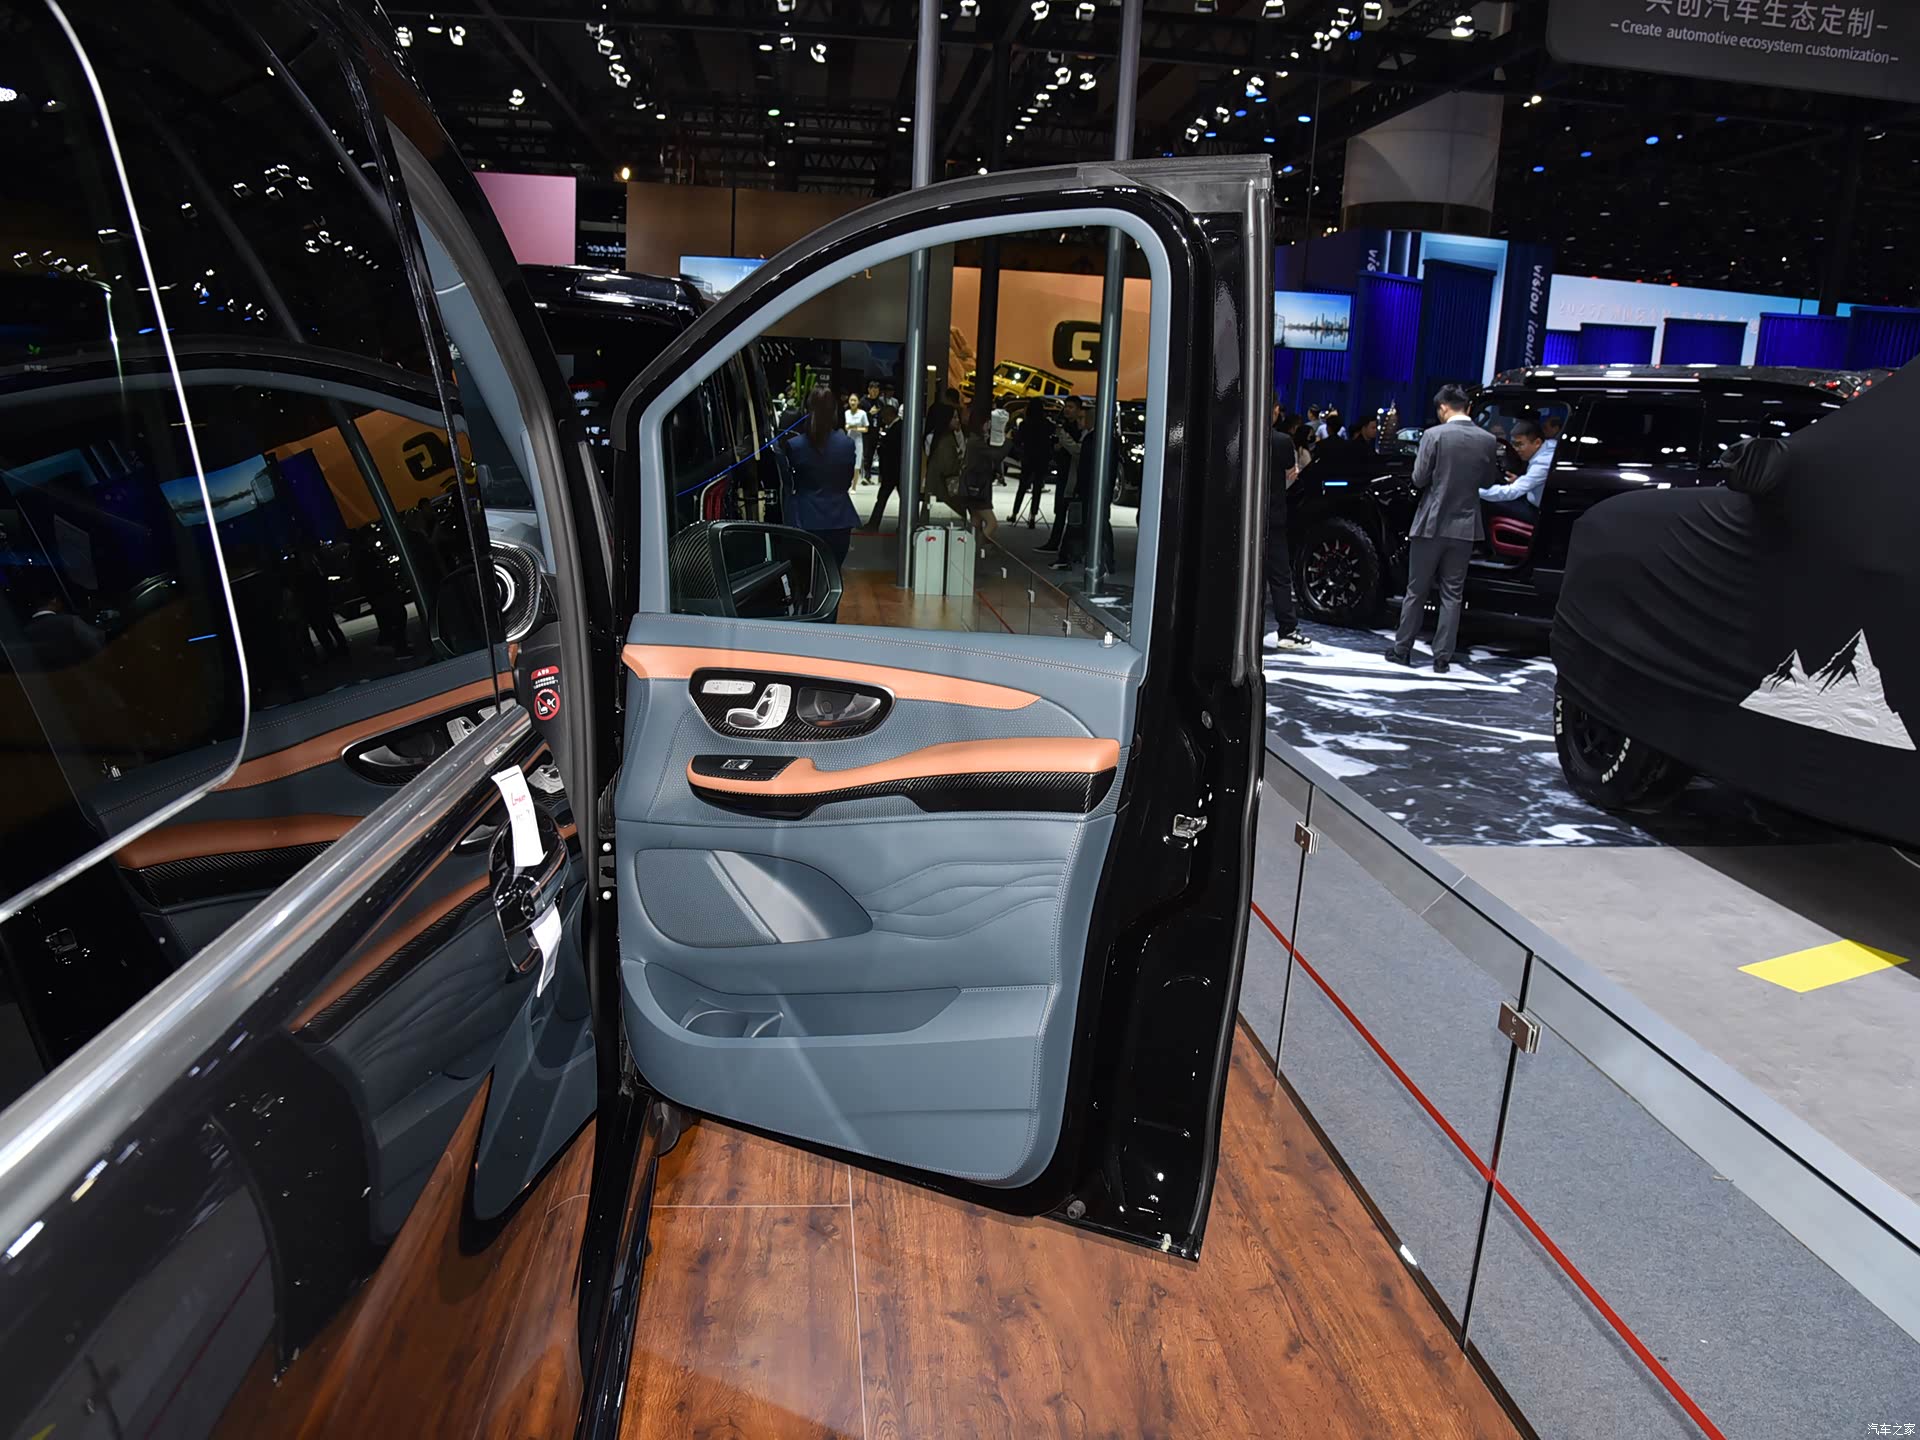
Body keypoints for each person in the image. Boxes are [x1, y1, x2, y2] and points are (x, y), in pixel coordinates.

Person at [1387, 383, 1501, 674]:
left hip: (1431, 523)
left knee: (1417, 590)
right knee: (1453, 594)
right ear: (1468, 408)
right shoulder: (1487, 440)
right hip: (1465, 527)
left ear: (1442, 408)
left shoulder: (1434, 435)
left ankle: (1402, 650)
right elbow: (1488, 481)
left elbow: (1418, 478)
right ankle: (1442, 658)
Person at [785, 383, 859, 565]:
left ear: (807, 410)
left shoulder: (795, 446)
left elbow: (790, 483)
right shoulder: (847, 444)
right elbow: (847, 481)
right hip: (839, 518)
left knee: (803, 575)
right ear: (834, 411)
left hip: (804, 518)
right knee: (833, 574)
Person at [1266, 401, 1311, 653]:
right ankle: (1287, 631)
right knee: (1280, 577)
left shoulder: (1238, 435)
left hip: (1241, 517)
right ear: (1274, 410)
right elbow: (1291, 475)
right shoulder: (1282, 441)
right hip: (1273, 516)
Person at [1479, 417, 1551, 526]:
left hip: (1537, 513)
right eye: (1513, 444)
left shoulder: (1542, 463)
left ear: (1537, 442)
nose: (1516, 449)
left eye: (1519, 444)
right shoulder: (1549, 446)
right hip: (1535, 501)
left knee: (1486, 502)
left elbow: (1511, 492)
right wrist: (1519, 480)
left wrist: (1476, 491)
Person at [1040, 396, 1087, 552]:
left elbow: (1077, 450)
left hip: (1073, 474)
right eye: (1066, 406)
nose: (1067, 410)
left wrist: (1063, 441)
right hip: (1063, 472)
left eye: (1071, 407)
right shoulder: (1063, 426)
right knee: (1060, 510)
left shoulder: (1078, 430)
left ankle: (1066, 547)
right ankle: (1056, 543)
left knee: (1069, 511)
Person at [953, 412, 1004, 546]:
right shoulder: (977, 443)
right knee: (992, 523)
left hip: (973, 488)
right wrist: (1008, 440)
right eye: (987, 422)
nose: (989, 425)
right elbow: (997, 455)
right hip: (977, 489)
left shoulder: (974, 440)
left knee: (976, 521)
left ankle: (972, 548)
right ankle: (976, 548)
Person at [1011, 397, 1055, 527]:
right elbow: (1053, 435)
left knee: (1022, 486)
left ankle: (1014, 513)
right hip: (1042, 458)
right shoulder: (1047, 424)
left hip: (1028, 457)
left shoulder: (1025, 424)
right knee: (1037, 488)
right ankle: (1033, 516)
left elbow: (1018, 440)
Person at [924, 407, 965, 518]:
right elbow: (948, 466)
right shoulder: (944, 441)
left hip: (941, 487)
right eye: (954, 417)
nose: (957, 420)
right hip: (944, 489)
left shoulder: (947, 437)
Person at [843, 395, 869, 483]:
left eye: (855, 400)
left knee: (857, 464)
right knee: (847, 462)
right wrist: (847, 427)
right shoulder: (846, 412)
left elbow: (866, 429)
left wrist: (855, 428)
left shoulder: (862, 413)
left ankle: (854, 485)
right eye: (851, 400)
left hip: (858, 440)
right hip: (848, 439)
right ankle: (847, 482)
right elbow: (846, 426)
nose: (853, 402)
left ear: (858, 402)